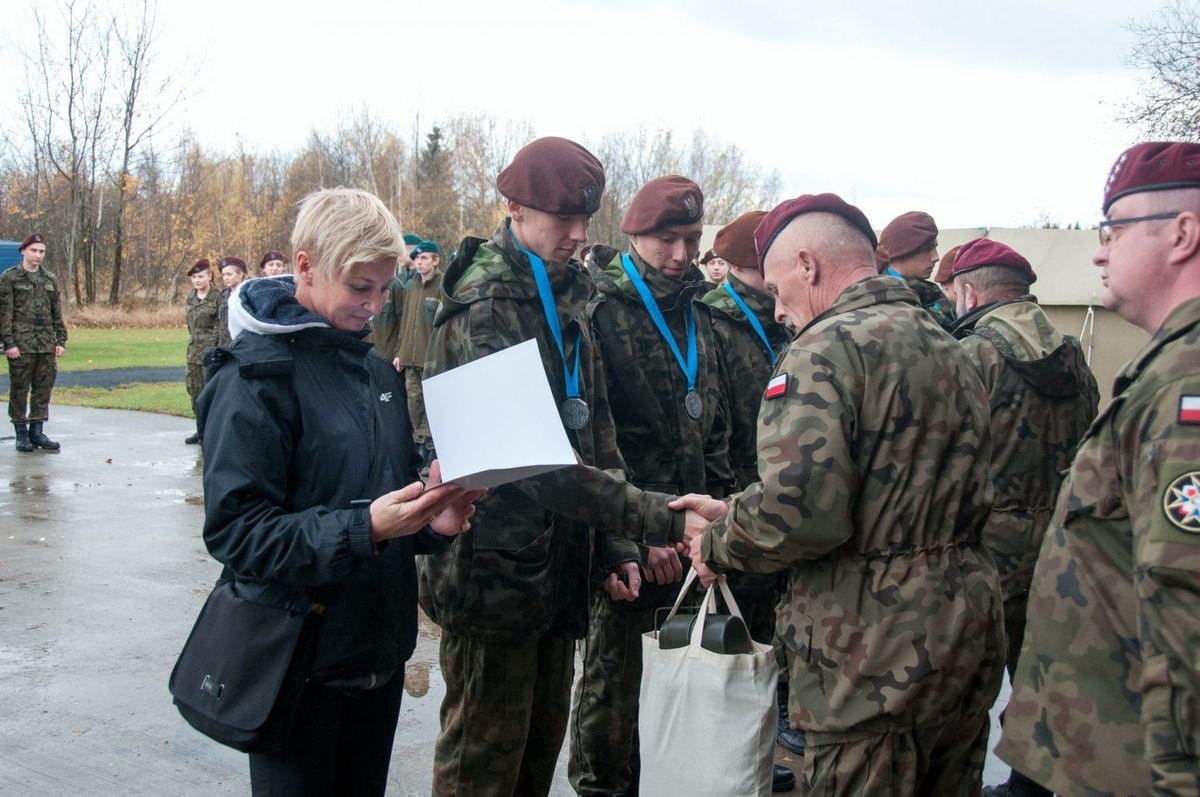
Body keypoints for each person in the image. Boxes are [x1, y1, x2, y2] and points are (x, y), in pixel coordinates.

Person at [675, 193, 1005, 795]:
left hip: (870, 655)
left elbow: (803, 513)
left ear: (808, 265)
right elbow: (888, 486)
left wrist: (720, 541)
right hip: (965, 635)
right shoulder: (950, 345)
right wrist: (742, 510)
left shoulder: (822, 352)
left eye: (778, 290)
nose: (777, 310)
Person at [420, 136, 688, 796]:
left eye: (585, 220)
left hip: (555, 571)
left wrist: (617, 545)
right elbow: (528, 463)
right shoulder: (485, 304)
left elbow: (593, 426)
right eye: (561, 219)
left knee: (536, 758)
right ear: (512, 207)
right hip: (494, 578)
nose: (576, 234)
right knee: (482, 768)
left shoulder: (571, 291)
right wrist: (655, 515)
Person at [195, 187, 481, 796]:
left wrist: (434, 519)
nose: (376, 306)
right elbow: (236, 532)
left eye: (385, 289)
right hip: (292, 664)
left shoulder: (375, 371)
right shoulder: (253, 377)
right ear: (305, 266)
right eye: (360, 288)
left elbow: (389, 497)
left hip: (375, 656)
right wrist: (366, 528)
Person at [996, 141, 1200, 794]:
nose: (1098, 250)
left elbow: (1187, 606)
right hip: (1101, 746)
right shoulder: (1166, 367)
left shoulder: (1185, 385)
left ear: (1182, 233)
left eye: (1114, 230)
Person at [569, 176, 738, 796]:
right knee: (614, 692)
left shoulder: (698, 312)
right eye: (667, 239)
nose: (680, 254)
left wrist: (715, 532)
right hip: (635, 535)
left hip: (693, 536)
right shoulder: (599, 310)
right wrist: (634, 536)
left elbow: (713, 427)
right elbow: (595, 441)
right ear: (633, 235)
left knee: (679, 694)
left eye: (691, 239)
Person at [700, 209, 803, 783]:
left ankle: (757, 758)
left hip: (777, 493)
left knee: (768, 639)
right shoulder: (715, 317)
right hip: (735, 496)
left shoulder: (786, 319)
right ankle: (726, 765)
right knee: (731, 643)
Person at [1, 233, 67, 452]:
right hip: (22, 341)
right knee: (20, 388)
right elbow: (5, 314)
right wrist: (8, 343)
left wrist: (60, 339)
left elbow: (56, 312)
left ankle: (36, 431)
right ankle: (21, 432)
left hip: (46, 342)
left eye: (41, 251)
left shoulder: (50, 279)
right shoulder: (10, 278)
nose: (38, 255)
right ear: (23, 251)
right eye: (34, 251)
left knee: (43, 387)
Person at [390, 238, 442, 470]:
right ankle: (419, 442)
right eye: (417, 259)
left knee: (433, 402)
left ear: (435, 260)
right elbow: (404, 323)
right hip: (410, 357)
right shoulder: (410, 287)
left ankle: (432, 445)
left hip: (432, 357)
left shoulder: (442, 286)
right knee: (414, 402)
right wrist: (400, 351)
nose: (419, 263)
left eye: (423, 258)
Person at [876, 210, 956, 330]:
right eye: (927, 249)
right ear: (902, 251)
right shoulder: (881, 298)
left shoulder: (926, 293)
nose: (936, 257)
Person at [183, 258, 221, 445]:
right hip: (193, 354)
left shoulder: (218, 297)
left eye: (201, 276)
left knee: (211, 394)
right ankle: (200, 431)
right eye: (194, 277)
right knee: (195, 392)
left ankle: (212, 432)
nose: (197, 280)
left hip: (209, 354)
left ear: (209, 276)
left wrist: (214, 348)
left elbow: (219, 326)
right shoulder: (190, 297)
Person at [216, 256, 248, 348]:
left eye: (229, 274)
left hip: (241, 345)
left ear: (240, 274)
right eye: (223, 275)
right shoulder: (223, 296)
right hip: (224, 345)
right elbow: (219, 323)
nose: (225, 278)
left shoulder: (247, 294)